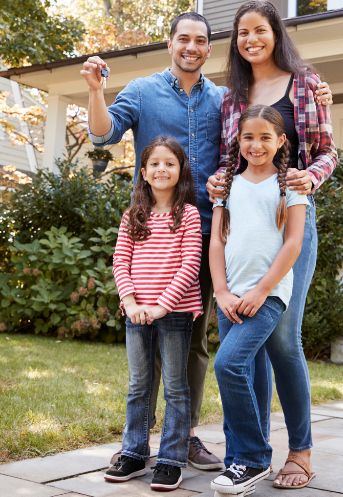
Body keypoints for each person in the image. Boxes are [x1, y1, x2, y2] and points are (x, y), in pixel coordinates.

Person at [82, 11, 332, 470]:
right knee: (173, 341)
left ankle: (203, 439)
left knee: (226, 342)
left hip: (246, 225)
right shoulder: (160, 92)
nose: (191, 47)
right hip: (181, 232)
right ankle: (150, 444)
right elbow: (103, 134)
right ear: (170, 42)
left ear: (211, 48)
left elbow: (313, 148)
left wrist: (307, 174)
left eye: (201, 40)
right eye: (183, 39)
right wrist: (96, 91)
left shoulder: (253, 92)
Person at [207, 0, 338, 489]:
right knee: (249, 344)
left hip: (290, 216)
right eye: (242, 32)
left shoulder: (306, 82)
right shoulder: (231, 95)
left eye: (259, 30)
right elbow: (228, 159)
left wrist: (309, 178)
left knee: (284, 340)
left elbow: (327, 151)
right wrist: (218, 185)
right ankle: (252, 452)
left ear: (274, 33)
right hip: (244, 222)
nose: (251, 39)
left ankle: (300, 453)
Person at [209, 105, 307, 496]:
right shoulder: (226, 186)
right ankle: (240, 460)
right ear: (238, 140)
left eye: (266, 137)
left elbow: (294, 243)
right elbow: (216, 241)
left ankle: (252, 458)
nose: (256, 144)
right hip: (230, 295)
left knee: (228, 364)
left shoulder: (291, 186)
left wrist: (263, 288)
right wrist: (221, 292)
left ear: (281, 141)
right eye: (249, 137)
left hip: (266, 295)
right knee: (245, 371)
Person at [107, 136, 203, 491]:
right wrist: (130, 303)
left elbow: (191, 263)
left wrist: (164, 303)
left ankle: (172, 459)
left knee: (176, 387)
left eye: (170, 163)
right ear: (143, 173)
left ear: (181, 171)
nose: (162, 169)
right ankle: (133, 452)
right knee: (138, 386)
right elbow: (121, 261)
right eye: (155, 164)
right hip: (136, 313)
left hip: (174, 312)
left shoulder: (188, 214)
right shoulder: (134, 215)